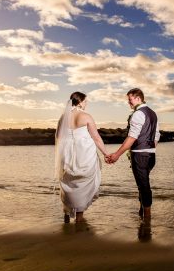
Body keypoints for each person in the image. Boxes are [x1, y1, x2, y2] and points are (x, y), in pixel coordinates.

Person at [106, 88, 160, 220]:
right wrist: (150, 148)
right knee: (143, 184)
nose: (128, 103)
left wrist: (117, 154)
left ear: (138, 98)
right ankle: (142, 212)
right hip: (151, 156)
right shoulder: (153, 113)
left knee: (143, 186)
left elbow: (132, 137)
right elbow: (157, 135)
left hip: (140, 156)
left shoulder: (138, 114)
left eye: (130, 100)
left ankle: (147, 217)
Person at [55, 92, 108, 223]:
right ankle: (79, 217)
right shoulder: (86, 116)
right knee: (83, 185)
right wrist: (106, 154)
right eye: (85, 101)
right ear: (79, 102)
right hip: (83, 155)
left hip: (67, 156)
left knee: (68, 183)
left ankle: (66, 214)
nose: (86, 104)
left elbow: (59, 138)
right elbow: (96, 137)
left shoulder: (63, 117)